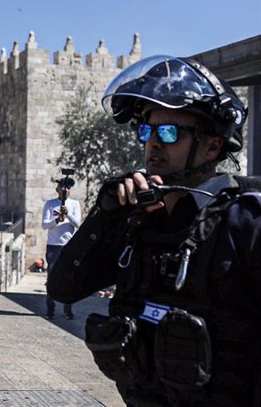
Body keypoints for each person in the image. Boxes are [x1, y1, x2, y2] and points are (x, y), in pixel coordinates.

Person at [47, 55, 261, 406]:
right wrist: (106, 214)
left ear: (212, 145)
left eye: (169, 131)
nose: (153, 143)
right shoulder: (141, 224)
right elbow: (63, 288)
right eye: (146, 131)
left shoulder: (245, 224)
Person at [41, 178, 81, 320]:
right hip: (54, 246)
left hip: (69, 246)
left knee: (69, 278)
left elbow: (77, 224)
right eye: (62, 188)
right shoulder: (50, 204)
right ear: (57, 189)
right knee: (52, 277)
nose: (65, 191)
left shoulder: (75, 204)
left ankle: (67, 309)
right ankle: (50, 309)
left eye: (68, 188)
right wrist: (57, 220)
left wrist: (68, 214)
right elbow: (44, 225)